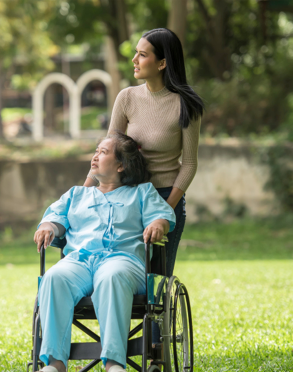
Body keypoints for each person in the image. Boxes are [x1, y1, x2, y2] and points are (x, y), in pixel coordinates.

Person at [29, 132, 176, 372]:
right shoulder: (77, 194)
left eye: (103, 152)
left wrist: (158, 225)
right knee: (54, 277)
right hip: (80, 261)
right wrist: (48, 227)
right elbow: (54, 218)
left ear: (121, 165)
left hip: (123, 261)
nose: (95, 156)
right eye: (96, 150)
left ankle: (115, 364)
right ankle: (55, 365)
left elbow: (161, 216)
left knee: (111, 277)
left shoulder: (141, 192)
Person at [84, 28, 204, 276]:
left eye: (142, 54)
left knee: (155, 280)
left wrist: (165, 211)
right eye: (135, 53)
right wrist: (86, 192)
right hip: (125, 196)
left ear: (162, 63)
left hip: (163, 196)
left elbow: (189, 164)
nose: (134, 60)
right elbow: (108, 150)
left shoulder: (186, 105)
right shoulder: (127, 97)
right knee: (117, 270)